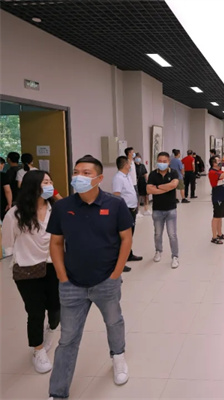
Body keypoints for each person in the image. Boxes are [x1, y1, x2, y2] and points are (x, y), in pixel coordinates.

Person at [46, 155, 133, 397]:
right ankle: (57, 391)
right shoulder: (63, 207)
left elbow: (126, 239)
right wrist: (62, 277)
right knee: (67, 338)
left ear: (99, 178)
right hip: (71, 283)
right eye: (76, 172)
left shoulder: (115, 205)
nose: (79, 177)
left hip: (106, 280)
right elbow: (56, 242)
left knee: (113, 322)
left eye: (86, 173)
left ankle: (118, 357)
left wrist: (115, 274)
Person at [2, 170, 60, 374]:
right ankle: (38, 350)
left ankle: (50, 330)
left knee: (56, 308)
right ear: (33, 186)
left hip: (53, 266)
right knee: (35, 312)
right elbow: (7, 243)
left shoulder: (56, 210)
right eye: (45, 182)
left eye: (50, 181)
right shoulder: (15, 214)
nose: (50, 185)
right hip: (27, 270)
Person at [146, 152, 180, 268]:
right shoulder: (152, 174)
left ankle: (175, 256)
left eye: (164, 161)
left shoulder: (173, 173)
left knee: (172, 234)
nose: (162, 163)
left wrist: (157, 187)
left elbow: (174, 185)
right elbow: (149, 190)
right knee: (158, 233)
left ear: (169, 162)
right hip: (157, 209)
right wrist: (166, 187)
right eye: (160, 161)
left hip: (171, 209)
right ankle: (158, 251)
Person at [113, 155, 144, 270]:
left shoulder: (127, 176)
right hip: (125, 210)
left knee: (130, 235)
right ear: (125, 165)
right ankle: (119, 262)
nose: (130, 165)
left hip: (132, 209)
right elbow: (116, 195)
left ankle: (128, 254)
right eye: (129, 163)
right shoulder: (118, 178)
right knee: (123, 237)